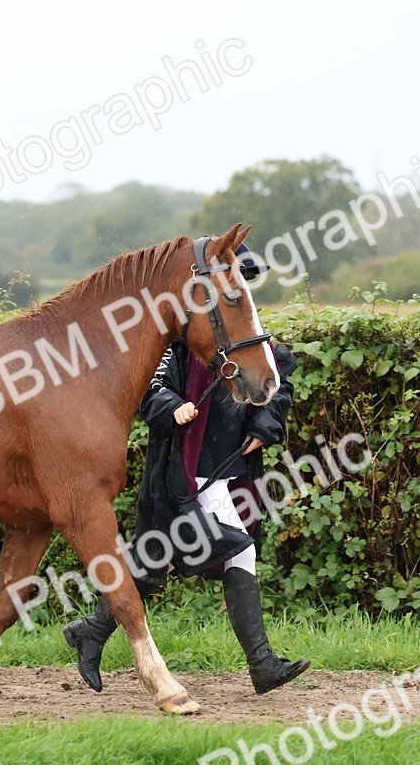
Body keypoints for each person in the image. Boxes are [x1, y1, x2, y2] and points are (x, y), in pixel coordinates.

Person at [63, 243, 310, 695]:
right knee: (236, 551)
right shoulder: (174, 346)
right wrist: (173, 407)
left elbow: (277, 392)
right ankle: (262, 665)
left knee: (157, 558)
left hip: (232, 469)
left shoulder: (256, 345)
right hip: (185, 472)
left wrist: (263, 424)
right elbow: (149, 392)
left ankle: (92, 630)